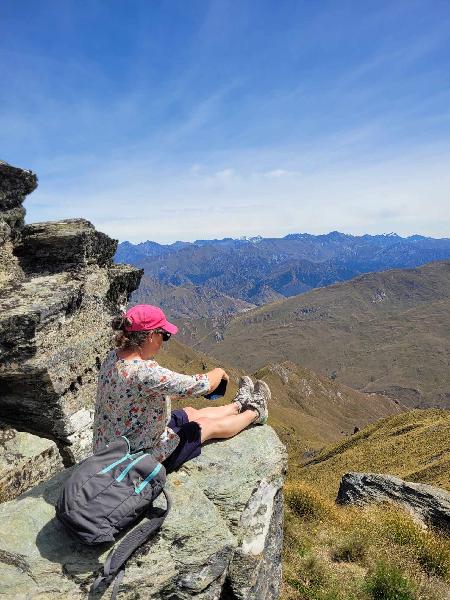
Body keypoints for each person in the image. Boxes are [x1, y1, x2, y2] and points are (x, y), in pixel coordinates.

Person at [92, 304, 270, 473]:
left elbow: (138, 395)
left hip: (121, 443)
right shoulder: (144, 371)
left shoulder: (112, 357)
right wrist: (219, 372)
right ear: (151, 336)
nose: (163, 342)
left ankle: (238, 406)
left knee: (190, 412)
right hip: (138, 460)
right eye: (164, 335)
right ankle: (255, 412)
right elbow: (202, 385)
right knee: (204, 426)